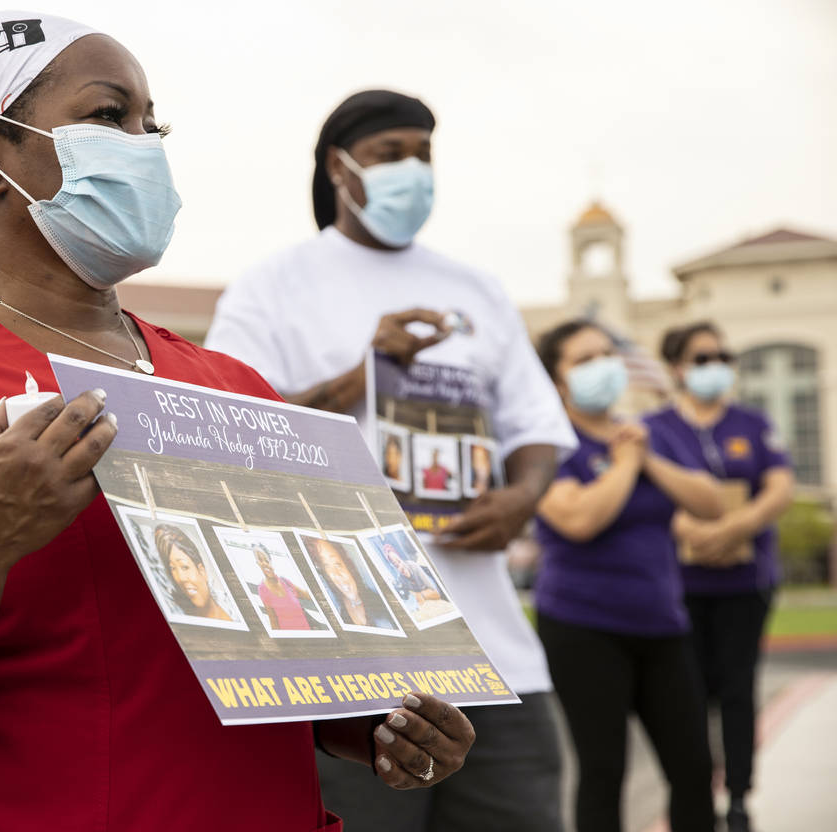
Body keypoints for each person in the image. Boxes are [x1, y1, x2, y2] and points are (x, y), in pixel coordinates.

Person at [0, 14, 474, 831]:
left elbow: (290, 652)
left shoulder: (234, 388)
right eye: (108, 117)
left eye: (152, 123)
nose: (142, 146)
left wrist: (382, 722)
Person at [206, 89, 575, 832]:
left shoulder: (476, 290)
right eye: (390, 154)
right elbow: (225, 436)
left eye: (423, 154)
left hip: (494, 653)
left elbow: (538, 422)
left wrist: (524, 494)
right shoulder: (273, 287)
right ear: (339, 169)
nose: (413, 170)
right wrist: (363, 373)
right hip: (346, 654)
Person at [532, 319, 724, 832]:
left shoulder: (649, 433)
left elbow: (710, 503)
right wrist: (622, 465)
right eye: (584, 360)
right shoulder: (549, 443)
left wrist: (648, 460)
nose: (603, 366)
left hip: (663, 625)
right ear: (557, 380)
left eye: (606, 353)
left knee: (694, 768)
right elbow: (577, 519)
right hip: (582, 627)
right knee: (603, 771)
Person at [649, 321, 794, 832]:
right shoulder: (657, 428)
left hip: (744, 583)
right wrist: (693, 532)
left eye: (720, 357)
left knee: (736, 690)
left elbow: (778, 487)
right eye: (702, 357)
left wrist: (735, 528)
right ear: (677, 368)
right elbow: (647, 494)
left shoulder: (751, 423)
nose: (715, 367)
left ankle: (737, 795)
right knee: (687, 697)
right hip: (678, 588)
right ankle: (694, 793)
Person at [304, 537, 397, 630]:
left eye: (337, 564)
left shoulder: (382, 602)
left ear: (347, 563)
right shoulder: (336, 617)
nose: (337, 575)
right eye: (326, 567)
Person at [155, 523, 233, 621]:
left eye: (185, 567)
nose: (181, 578)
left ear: (201, 570)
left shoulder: (230, 608)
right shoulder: (177, 614)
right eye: (173, 568)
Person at [255, 544, 316, 630]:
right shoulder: (263, 589)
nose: (264, 563)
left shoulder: (285, 582)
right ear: (257, 563)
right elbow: (273, 622)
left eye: (266, 560)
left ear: (271, 561)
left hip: (308, 632)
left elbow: (308, 595)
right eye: (260, 560)